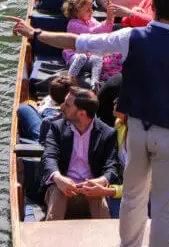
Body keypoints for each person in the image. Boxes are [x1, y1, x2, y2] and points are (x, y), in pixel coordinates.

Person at [9, 0, 169, 247]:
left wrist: (36, 33)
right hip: (168, 135)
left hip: (136, 133)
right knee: (164, 204)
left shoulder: (131, 36)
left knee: (132, 195)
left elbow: (80, 42)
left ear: (152, 6)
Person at [40, 87, 122, 221]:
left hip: (91, 190)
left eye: (67, 104)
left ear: (81, 113)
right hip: (61, 186)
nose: (61, 106)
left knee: (99, 201)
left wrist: (101, 181)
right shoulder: (56, 128)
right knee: (57, 195)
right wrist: (58, 178)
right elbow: (49, 156)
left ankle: (106, 239)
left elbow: (112, 166)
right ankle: (51, 237)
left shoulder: (108, 133)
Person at [61, 0, 119, 91]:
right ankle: (68, 80)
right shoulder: (73, 24)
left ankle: (94, 85)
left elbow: (104, 30)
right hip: (74, 56)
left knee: (97, 58)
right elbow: (92, 33)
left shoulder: (91, 20)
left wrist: (109, 19)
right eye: (88, 10)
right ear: (77, 12)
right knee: (81, 57)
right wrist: (108, 19)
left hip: (89, 57)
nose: (92, 11)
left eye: (92, 8)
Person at [15, 72, 74, 143]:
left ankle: (44, 109)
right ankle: (44, 110)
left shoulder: (49, 121)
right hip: (60, 135)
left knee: (24, 108)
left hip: (49, 140)